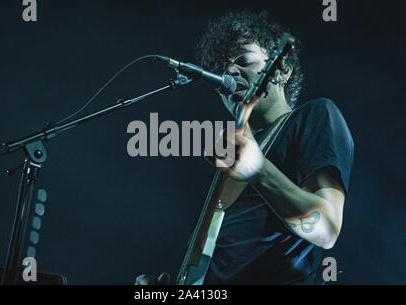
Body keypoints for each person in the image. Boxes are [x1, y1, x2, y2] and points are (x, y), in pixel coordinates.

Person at [136, 9, 354, 285]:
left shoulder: (315, 115)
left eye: (244, 60)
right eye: (223, 67)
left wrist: (257, 169)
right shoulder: (231, 159)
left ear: (282, 69)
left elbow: (327, 229)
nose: (228, 71)